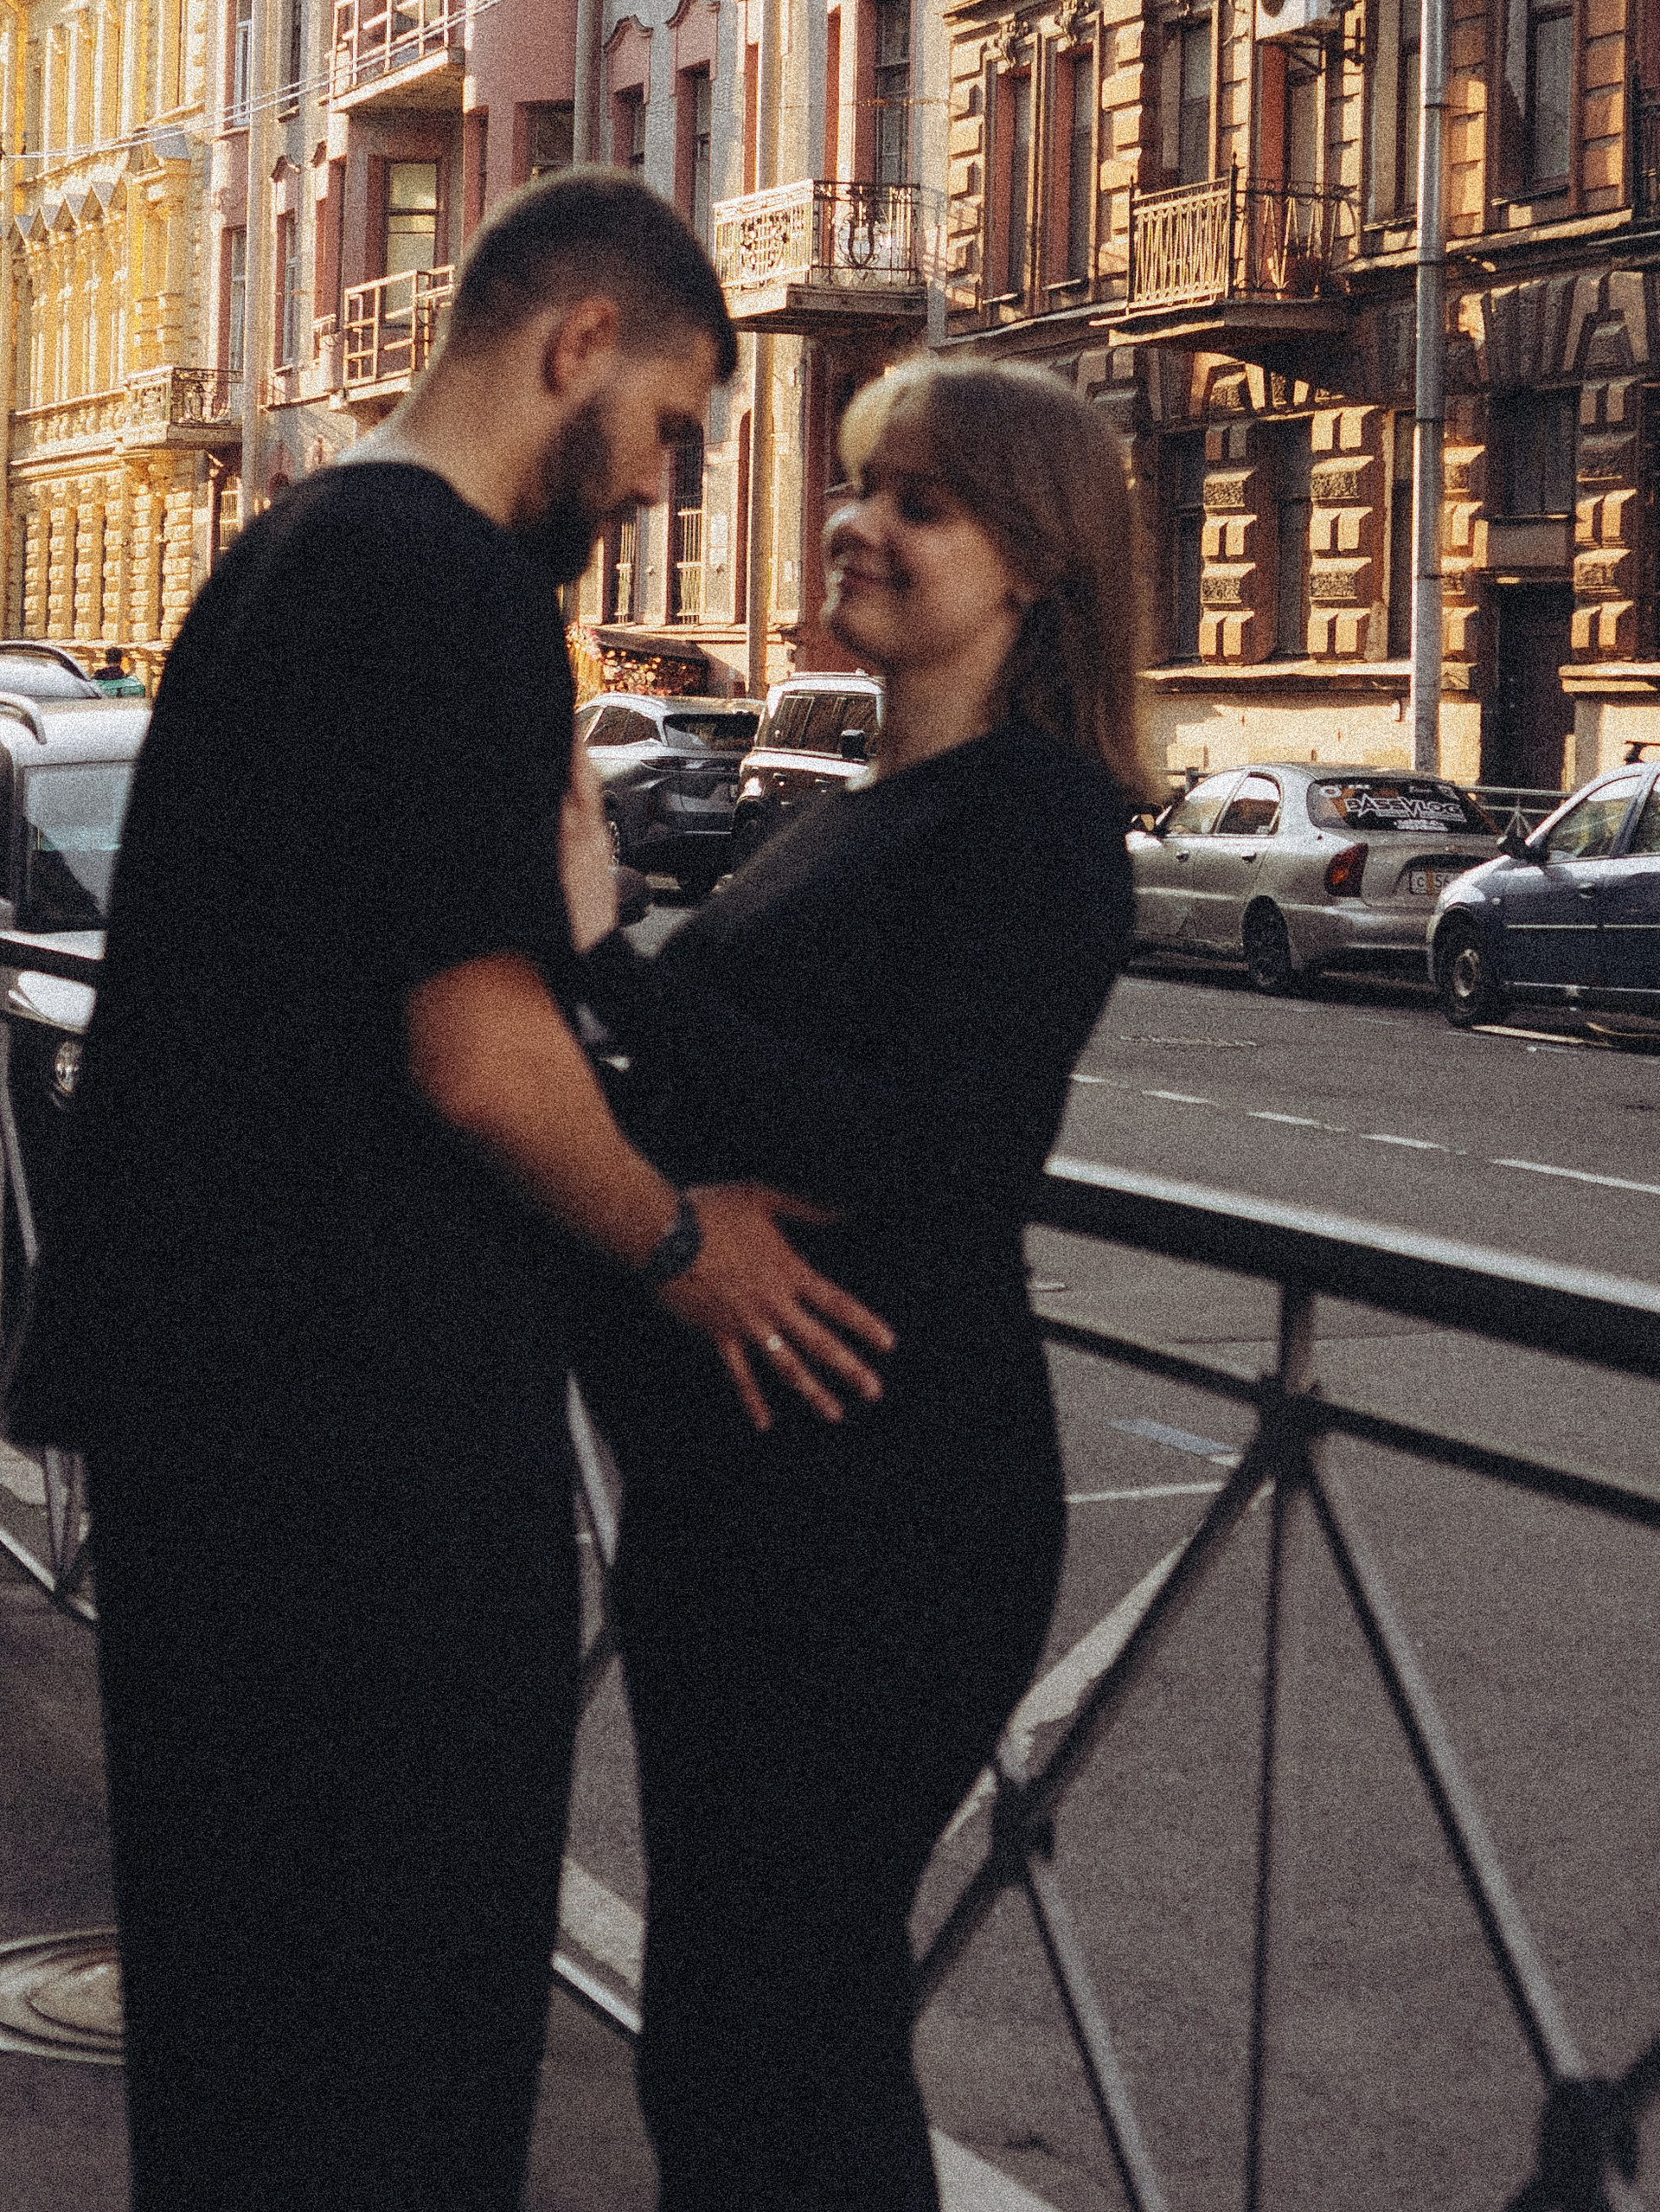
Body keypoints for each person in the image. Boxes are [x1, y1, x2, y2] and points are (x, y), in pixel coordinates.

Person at [4, 172, 891, 2212]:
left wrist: (562, 925)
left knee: (243, 2037)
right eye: (672, 424)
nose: (664, 484)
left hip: (219, 1422)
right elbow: (473, 1056)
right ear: (577, 346)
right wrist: (694, 1252)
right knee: (394, 2045)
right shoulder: (454, 591)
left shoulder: (290, 551)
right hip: (363, 1453)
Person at [564, 354, 1142, 2212]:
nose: (857, 524)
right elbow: (738, 1099)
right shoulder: (842, 797)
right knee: (737, 2024)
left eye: (920, 501)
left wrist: (615, 965)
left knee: (778, 2029)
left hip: (884, 1498)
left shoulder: (1034, 818)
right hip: (746, 1489)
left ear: (1033, 560)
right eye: (853, 483)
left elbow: (938, 1157)